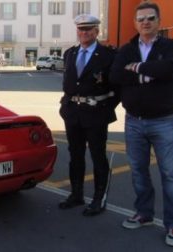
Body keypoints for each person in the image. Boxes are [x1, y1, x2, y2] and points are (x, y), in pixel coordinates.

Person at [109, 2, 173, 247]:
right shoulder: (127, 49)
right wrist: (151, 73)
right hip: (134, 121)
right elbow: (116, 75)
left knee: (171, 174)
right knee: (138, 170)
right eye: (141, 19)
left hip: (164, 121)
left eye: (150, 18)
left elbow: (170, 68)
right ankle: (144, 213)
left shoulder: (170, 47)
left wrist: (137, 69)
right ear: (135, 23)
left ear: (158, 21)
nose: (145, 22)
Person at [58, 14, 118, 216]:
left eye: (88, 29)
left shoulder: (108, 56)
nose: (84, 32)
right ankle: (76, 195)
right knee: (75, 156)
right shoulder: (70, 53)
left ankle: (98, 199)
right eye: (81, 29)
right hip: (73, 113)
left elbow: (117, 88)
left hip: (96, 114)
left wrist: (105, 108)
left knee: (98, 156)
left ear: (96, 31)